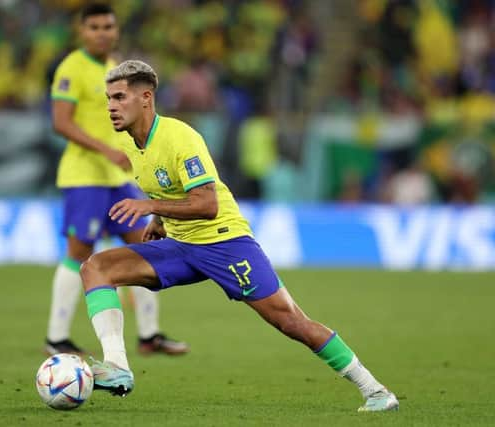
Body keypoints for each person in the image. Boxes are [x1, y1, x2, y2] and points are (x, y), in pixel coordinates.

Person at [80, 60, 399, 412]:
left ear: (146, 97)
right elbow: (173, 190)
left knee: (291, 321)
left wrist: (149, 206)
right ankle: (118, 368)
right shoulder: (128, 143)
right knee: (96, 268)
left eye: (120, 97)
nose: (111, 106)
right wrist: (161, 218)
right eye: (108, 98)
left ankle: (375, 390)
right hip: (182, 244)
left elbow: (208, 204)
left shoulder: (180, 138)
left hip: (224, 242)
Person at [46, 4, 188, 357]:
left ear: (116, 30)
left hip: (117, 176)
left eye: (107, 26)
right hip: (85, 176)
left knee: (143, 244)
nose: (101, 33)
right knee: (79, 253)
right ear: (81, 32)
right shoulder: (71, 68)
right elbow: (61, 122)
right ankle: (56, 337)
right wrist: (106, 151)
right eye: (93, 27)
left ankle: (149, 335)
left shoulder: (115, 69)